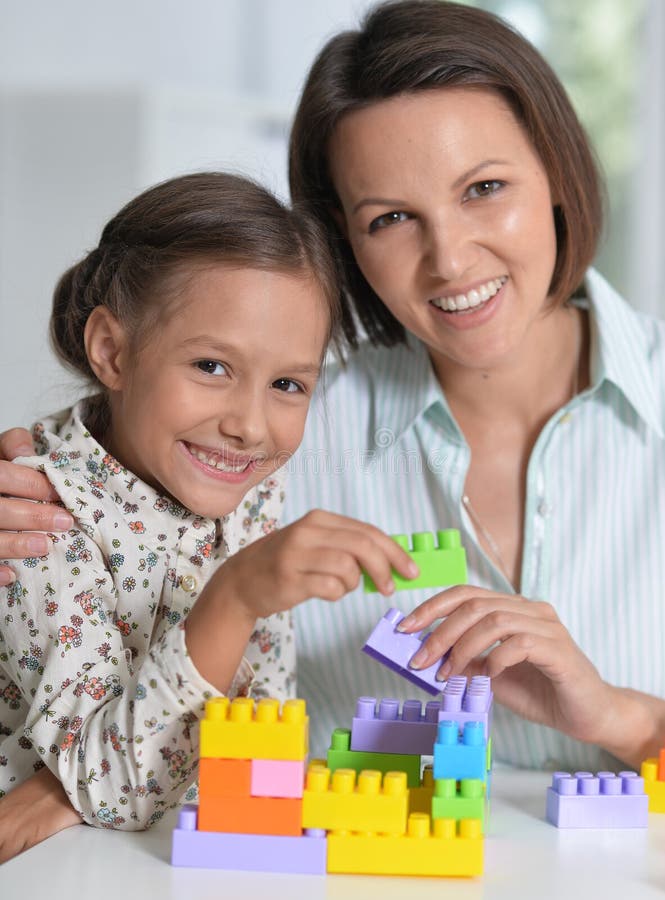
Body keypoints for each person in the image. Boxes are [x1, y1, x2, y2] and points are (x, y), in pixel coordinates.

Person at [2, 0, 665, 802]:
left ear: (558, 174)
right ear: (342, 243)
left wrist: (622, 720)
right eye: (390, 218)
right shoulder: (266, 438)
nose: (450, 260)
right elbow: (104, 608)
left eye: (484, 187)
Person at [0, 171, 416, 861]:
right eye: (211, 366)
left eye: (288, 384)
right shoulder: (39, 513)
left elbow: (261, 728)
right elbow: (111, 793)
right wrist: (235, 596)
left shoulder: (248, 494)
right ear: (112, 351)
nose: (250, 426)